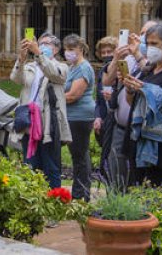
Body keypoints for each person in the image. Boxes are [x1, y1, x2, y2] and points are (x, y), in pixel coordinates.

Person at [118, 21, 162, 186]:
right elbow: (133, 102)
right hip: (137, 139)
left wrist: (150, 91)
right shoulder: (149, 68)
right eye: (148, 43)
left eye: (154, 44)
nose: (150, 48)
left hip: (158, 146)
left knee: (156, 193)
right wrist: (130, 89)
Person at [11, 32, 70, 189]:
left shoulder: (61, 67)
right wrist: (21, 58)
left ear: (56, 49)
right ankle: (32, 201)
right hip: (29, 122)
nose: (41, 46)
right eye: (40, 43)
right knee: (30, 165)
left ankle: (54, 200)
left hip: (49, 123)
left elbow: (53, 73)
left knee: (51, 166)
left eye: (46, 43)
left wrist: (38, 53)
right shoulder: (30, 67)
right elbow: (16, 79)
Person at [100, 26, 145, 190]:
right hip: (120, 127)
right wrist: (116, 58)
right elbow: (106, 80)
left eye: (147, 35)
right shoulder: (129, 59)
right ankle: (117, 206)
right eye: (142, 33)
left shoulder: (153, 62)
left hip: (142, 129)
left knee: (137, 173)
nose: (141, 37)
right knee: (116, 170)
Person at [61, 34, 97, 200]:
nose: (68, 52)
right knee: (79, 155)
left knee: (80, 156)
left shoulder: (83, 68)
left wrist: (54, 99)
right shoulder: (73, 67)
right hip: (73, 116)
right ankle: (81, 192)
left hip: (80, 117)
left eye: (71, 49)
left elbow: (74, 95)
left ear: (80, 49)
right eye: (66, 49)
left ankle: (80, 193)